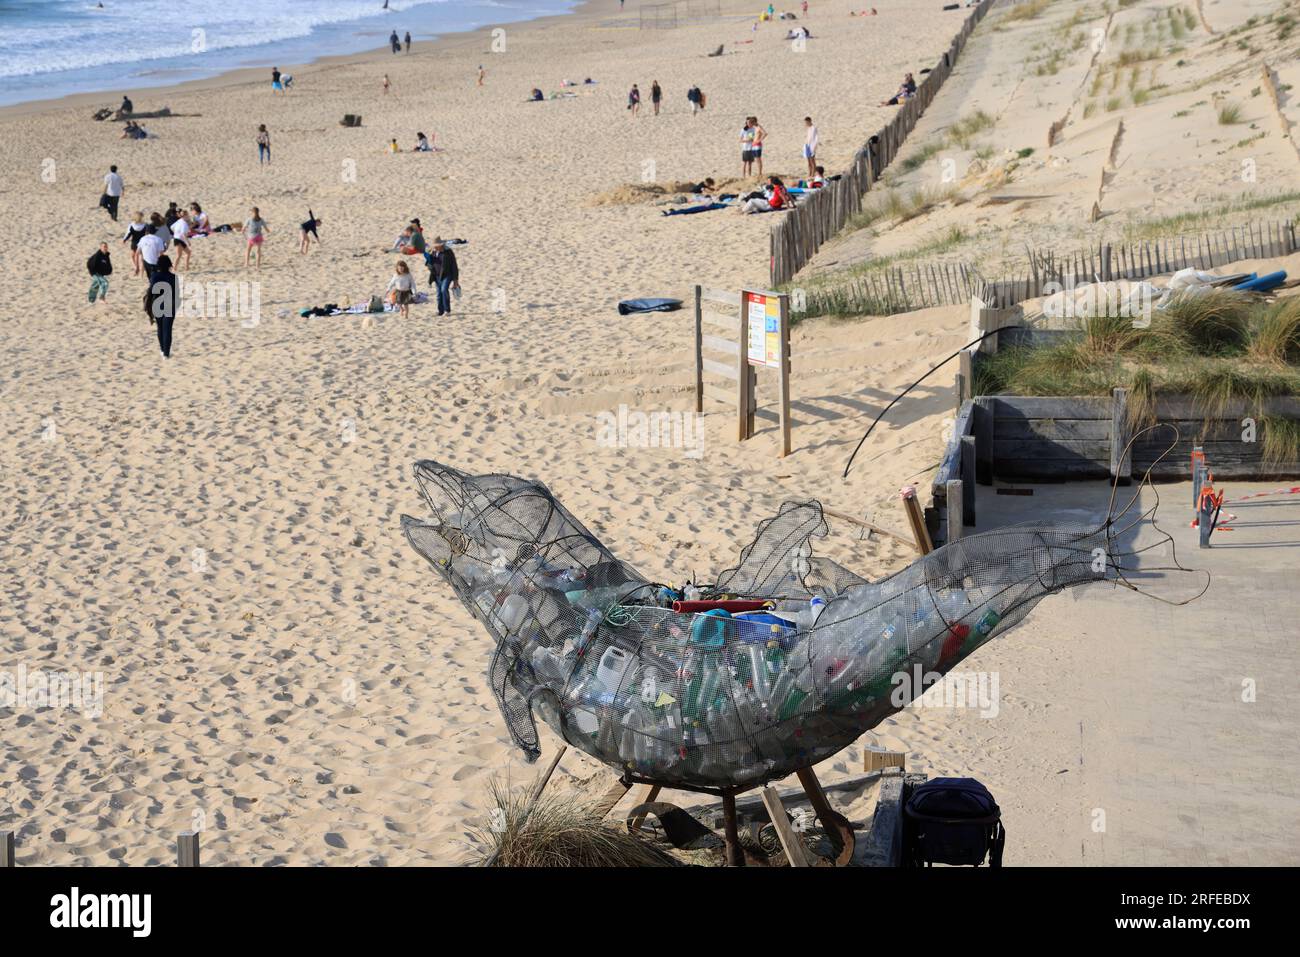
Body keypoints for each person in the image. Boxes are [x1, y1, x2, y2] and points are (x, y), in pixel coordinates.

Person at [145, 254, 178, 358]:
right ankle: (166, 354)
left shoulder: (154, 276)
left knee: (160, 328)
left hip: (157, 303)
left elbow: (152, 290)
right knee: (167, 329)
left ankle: (162, 350)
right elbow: (177, 294)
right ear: (169, 264)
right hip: (169, 304)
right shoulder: (174, 277)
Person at [424, 237, 459, 316]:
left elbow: (454, 266)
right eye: (434, 246)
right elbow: (428, 264)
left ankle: (447, 310)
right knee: (439, 294)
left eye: (437, 246)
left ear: (441, 245)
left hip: (447, 274)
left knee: (444, 290)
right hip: (436, 275)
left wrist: (455, 280)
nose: (435, 248)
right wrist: (428, 257)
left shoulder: (448, 252)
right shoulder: (432, 252)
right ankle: (440, 311)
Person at [122, 211, 148, 275]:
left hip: (134, 242)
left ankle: (137, 267)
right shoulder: (145, 225)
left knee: (133, 255)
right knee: (142, 256)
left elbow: (128, 234)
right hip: (143, 242)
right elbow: (148, 233)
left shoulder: (132, 225)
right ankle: (141, 269)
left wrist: (124, 239)